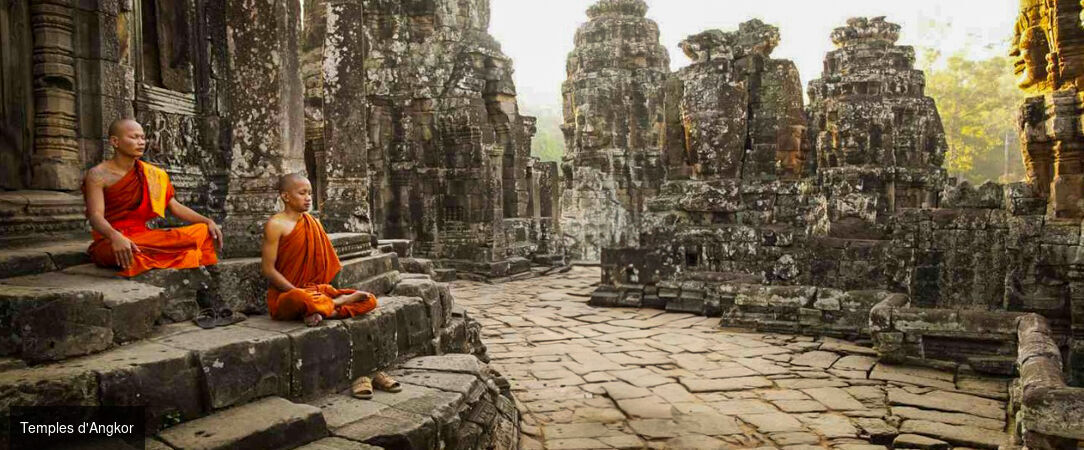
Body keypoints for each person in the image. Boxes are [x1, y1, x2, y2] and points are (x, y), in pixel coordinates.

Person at [261, 173, 399, 399]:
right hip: (287, 296)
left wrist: (318, 294)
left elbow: (322, 269)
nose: (308, 198)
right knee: (303, 299)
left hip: (315, 290)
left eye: (310, 194)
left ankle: (322, 311)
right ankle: (331, 305)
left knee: (369, 300)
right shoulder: (275, 225)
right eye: (302, 193)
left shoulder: (313, 223)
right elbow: (268, 270)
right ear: (285, 196)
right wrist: (298, 292)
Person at [84, 119, 222, 277]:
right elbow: (95, 216)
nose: (141, 142)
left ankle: (152, 256)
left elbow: (174, 206)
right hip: (111, 240)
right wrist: (115, 236)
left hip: (144, 236)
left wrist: (207, 221)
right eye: (134, 137)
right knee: (128, 250)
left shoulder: (152, 174)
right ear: (115, 141)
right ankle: (173, 254)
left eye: (142, 138)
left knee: (202, 230)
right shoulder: (97, 175)